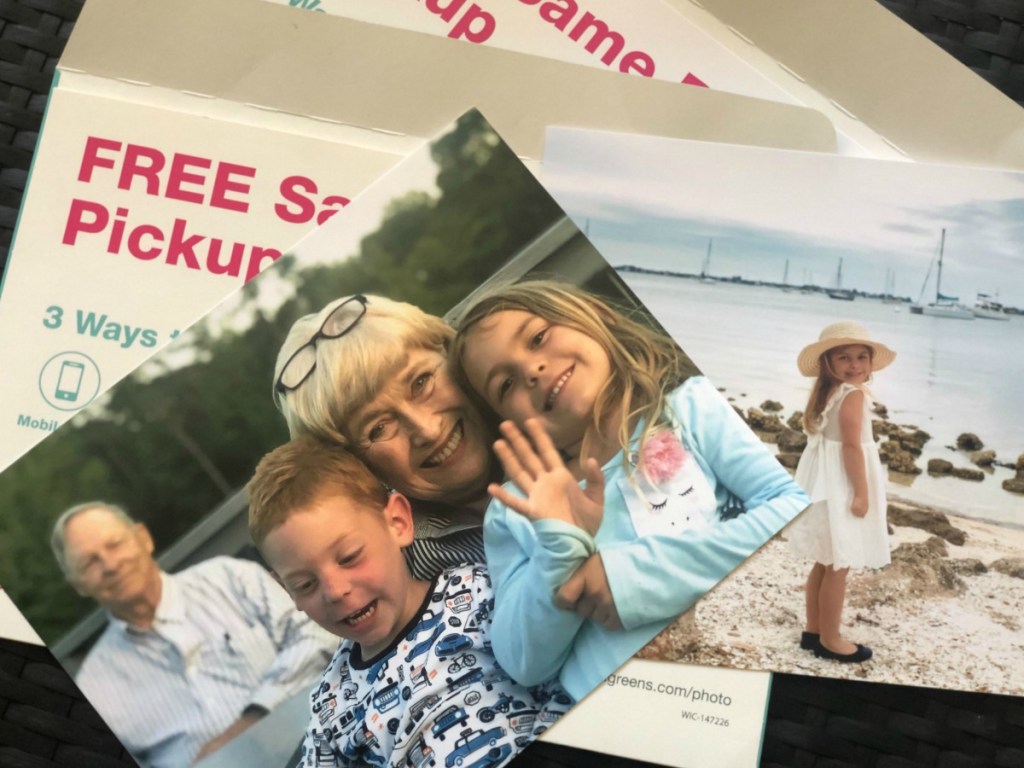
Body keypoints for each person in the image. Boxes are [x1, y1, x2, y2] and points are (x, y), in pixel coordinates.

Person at [450, 279, 811, 699]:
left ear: (594, 315)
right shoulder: (518, 505)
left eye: (538, 337)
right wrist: (561, 553)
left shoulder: (691, 409)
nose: (530, 370)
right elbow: (523, 663)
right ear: (503, 421)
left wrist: (634, 577)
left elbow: (794, 514)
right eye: (505, 385)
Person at [247, 436, 569, 768]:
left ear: (398, 523)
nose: (335, 591)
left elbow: (562, 674)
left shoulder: (478, 591)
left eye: (349, 557)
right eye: (305, 584)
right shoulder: (331, 701)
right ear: (286, 592)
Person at [51, 502, 338, 768]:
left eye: (115, 544)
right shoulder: (92, 689)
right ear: (78, 584)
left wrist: (253, 718)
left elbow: (319, 636)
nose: (111, 566)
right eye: (90, 562)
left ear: (143, 538)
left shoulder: (231, 578)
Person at [273, 294, 497, 579]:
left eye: (421, 382)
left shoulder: (561, 424)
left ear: (450, 351)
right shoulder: (399, 576)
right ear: (356, 466)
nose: (426, 430)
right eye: (377, 428)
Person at [786, 321, 896, 663]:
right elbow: (851, 447)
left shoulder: (829, 393)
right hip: (845, 484)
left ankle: (814, 630)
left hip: (828, 484)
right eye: (844, 357)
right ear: (827, 362)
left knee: (826, 559)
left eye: (862, 357)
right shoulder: (853, 395)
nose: (855, 365)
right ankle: (831, 639)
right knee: (840, 564)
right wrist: (862, 494)